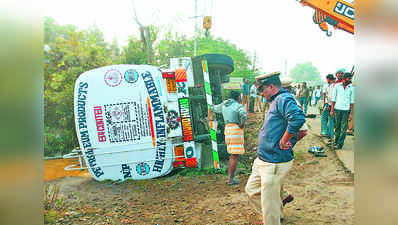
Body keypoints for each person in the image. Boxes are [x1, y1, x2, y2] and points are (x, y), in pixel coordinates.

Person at [245, 72, 306, 225]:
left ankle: (273, 218)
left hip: (274, 160)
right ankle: (277, 211)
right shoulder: (276, 100)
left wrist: (285, 140)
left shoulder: (284, 99)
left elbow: (298, 120)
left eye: (262, 89)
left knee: (269, 204)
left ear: (271, 86)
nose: (260, 93)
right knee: (252, 190)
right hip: (264, 158)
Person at [210, 90, 247, 184]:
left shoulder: (223, 105)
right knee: (234, 155)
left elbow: (212, 108)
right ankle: (231, 179)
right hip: (236, 129)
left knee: (232, 154)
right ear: (237, 97)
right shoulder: (238, 106)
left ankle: (231, 177)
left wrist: (211, 116)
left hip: (227, 129)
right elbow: (243, 115)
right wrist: (242, 124)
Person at [330, 72, 354, 149]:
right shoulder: (337, 86)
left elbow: (352, 102)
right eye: (349, 78)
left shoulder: (352, 88)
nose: (350, 80)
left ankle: (340, 144)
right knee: (337, 127)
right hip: (337, 109)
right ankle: (336, 142)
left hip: (346, 110)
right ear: (344, 78)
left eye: (350, 78)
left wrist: (351, 114)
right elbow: (333, 99)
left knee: (343, 128)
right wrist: (332, 110)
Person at [320, 74, 336, 140]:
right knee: (331, 119)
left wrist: (328, 105)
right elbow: (325, 95)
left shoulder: (333, 86)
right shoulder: (327, 85)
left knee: (324, 118)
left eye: (328, 79)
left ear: (329, 79)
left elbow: (331, 96)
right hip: (329, 103)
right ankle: (330, 134)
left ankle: (325, 132)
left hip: (330, 104)